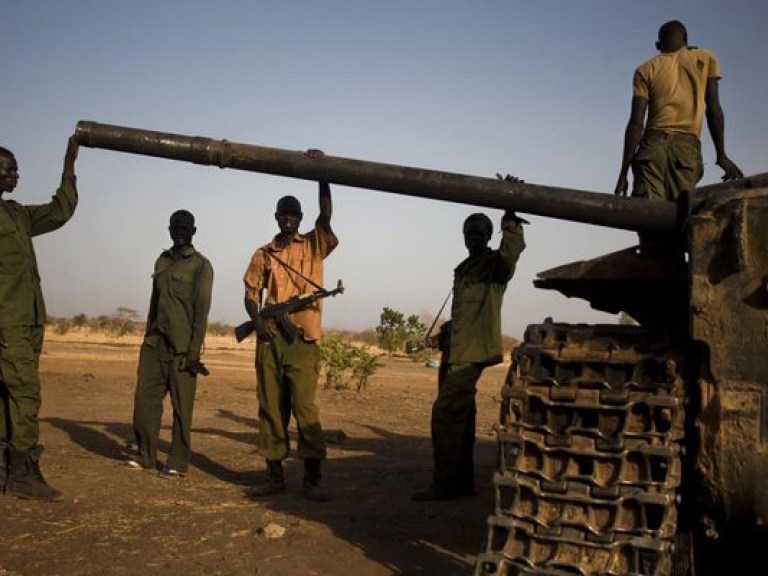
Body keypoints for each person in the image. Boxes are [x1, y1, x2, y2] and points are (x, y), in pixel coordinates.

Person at [243, 150, 337, 502]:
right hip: (270, 341)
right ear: (276, 217)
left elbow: (326, 213)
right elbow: (251, 294)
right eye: (283, 214)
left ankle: (312, 479)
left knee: (305, 408)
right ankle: (274, 476)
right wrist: (257, 322)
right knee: (270, 406)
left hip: (303, 339)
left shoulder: (314, 244)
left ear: (299, 218)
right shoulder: (263, 253)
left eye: (293, 215)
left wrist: (321, 172)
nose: (287, 220)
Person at [413, 209, 526, 501]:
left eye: (478, 232)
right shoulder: (465, 268)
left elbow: (510, 253)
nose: (472, 237)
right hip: (456, 349)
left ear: (489, 236)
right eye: (468, 232)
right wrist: (444, 333)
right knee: (461, 417)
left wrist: (510, 217)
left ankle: (445, 483)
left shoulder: (494, 267)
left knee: (446, 414)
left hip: (471, 351)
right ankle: (462, 482)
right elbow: (464, 313)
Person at [0, 135, 79, 501]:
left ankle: (8, 469)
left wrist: (68, 166)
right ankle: (23, 471)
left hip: (28, 320)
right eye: (9, 169)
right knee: (25, 393)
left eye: (16, 169)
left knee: (10, 393)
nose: (15, 175)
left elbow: (58, 212)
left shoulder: (16, 213)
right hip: (7, 323)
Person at [614, 20, 742, 202]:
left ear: (658, 45)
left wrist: (623, 174)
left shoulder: (645, 69)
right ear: (686, 40)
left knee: (649, 218)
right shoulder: (705, 58)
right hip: (685, 148)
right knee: (680, 217)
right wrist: (721, 155)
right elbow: (713, 110)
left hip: (652, 148)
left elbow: (635, 125)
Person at [128, 209, 214, 478]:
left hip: (182, 350)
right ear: (169, 231)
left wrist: (193, 350)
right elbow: (155, 304)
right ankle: (146, 456)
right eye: (175, 229)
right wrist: (147, 338)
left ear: (193, 232)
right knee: (145, 402)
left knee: (181, 409)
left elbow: (202, 311)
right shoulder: (161, 260)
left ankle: (177, 462)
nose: (179, 234)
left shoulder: (201, 265)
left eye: (184, 230)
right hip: (154, 344)